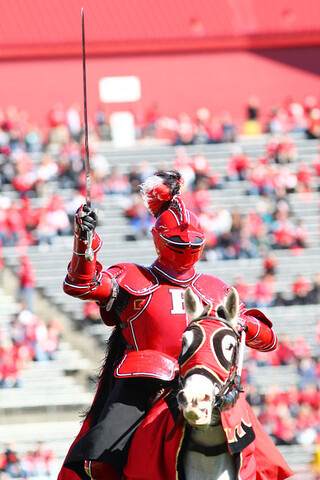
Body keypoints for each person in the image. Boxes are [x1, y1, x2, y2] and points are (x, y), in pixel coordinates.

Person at [58, 170, 278, 480]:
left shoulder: (215, 288)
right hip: (144, 383)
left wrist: (243, 324)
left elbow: (268, 339)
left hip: (210, 382)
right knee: (99, 459)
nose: (187, 250)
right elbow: (83, 285)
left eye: (193, 245)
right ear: (159, 239)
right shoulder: (134, 278)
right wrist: (85, 241)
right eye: (179, 244)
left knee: (268, 463)